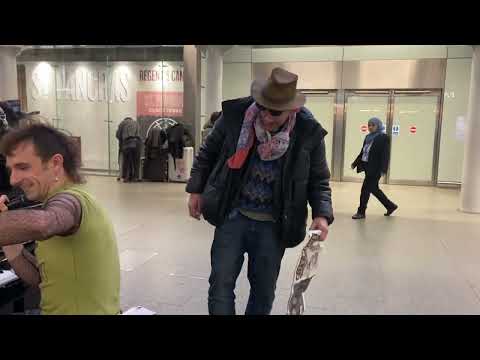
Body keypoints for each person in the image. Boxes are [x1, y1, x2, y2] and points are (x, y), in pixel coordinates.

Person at [186, 67, 334, 315]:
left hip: (273, 225)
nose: (265, 116)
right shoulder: (236, 116)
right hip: (232, 215)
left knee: (263, 292)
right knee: (220, 284)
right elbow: (208, 152)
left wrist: (322, 213)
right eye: (262, 106)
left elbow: (318, 179)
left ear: (292, 109)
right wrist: (196, 189)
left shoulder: (308, 132)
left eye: (275, 112)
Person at [0, 122, 120, 315]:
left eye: (22, 167)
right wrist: (10, 242)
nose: (13, 180)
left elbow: (44, 223)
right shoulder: (67, 198)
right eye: (11, 169)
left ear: (55, 164)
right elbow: (40, 278)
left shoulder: (72, 200)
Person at [351, 117, 398, 219]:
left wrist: (383, 170)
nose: (370, 127)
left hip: (376, 169)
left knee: (365, 190)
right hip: (367, 167)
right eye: (369, 125)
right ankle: (390, 206)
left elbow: (385, 155)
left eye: (373, 125)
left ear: (378, 126)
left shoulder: (383, 137)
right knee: (374, 189)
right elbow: (363, 152)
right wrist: (355, 163)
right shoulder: (368, 137)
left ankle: (361, 212)